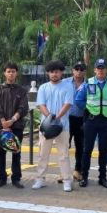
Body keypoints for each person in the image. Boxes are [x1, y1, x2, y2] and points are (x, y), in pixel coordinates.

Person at [75, 58, 107, 188]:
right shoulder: (88, 83)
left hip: (106, 120)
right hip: (91, 120)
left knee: (104, 150)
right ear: (94, 70)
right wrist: (88, 107)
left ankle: (103, 178)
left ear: (106, 70)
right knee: (87, 150)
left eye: (103, 68)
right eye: (98, 68)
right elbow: (78, 100)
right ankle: (84, 177)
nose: (100, 70)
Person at [33, 61, 76, 192]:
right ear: (48, 73)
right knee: (43, 154)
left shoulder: (68, 86)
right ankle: (40, 179)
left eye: (57, 71)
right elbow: (41, 104)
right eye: (51, 72)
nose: (54, 74)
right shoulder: (43, 87)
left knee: (63, 155)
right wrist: (50, 118)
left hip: (63, 126)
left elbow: (67, 104)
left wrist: (56, 118)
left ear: (61, 72)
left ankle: (67, 180)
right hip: (46, 126)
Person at [0, 62, 29, 189]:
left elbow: (23, 108)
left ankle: (16, 178)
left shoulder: (22, 90)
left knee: (16, 152)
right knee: (1, 153)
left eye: (13, 71)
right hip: (2, 127)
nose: (11, 74)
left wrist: (12, 121)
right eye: (8, 71)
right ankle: (2, 178)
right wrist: (4, 123)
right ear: (5, 73)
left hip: (17, 125)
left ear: (16, 73)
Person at [63, 61, 88, 183]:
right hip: (66, 118)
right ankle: (64, 172)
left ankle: (78, 171)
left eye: (81, 69)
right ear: (73, 70)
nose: (79, 71)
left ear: (85, 71)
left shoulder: (89, 85)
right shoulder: (64, 83)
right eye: (76, 69)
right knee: (64, 146)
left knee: (80, 146)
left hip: (81, 119)